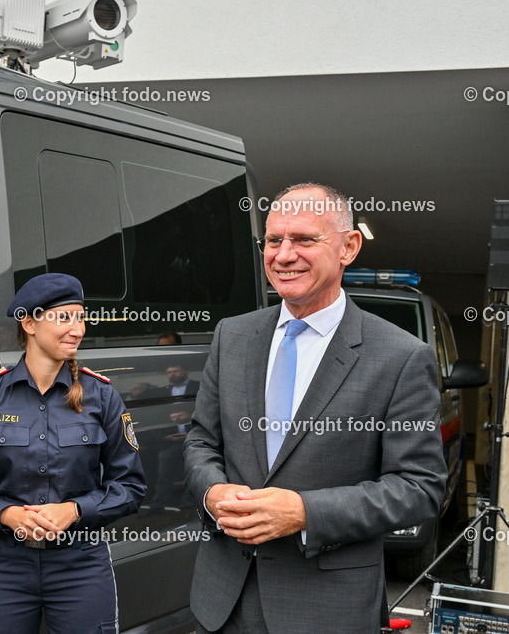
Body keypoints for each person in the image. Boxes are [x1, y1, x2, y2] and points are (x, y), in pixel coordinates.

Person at [183, 183, 446, 633]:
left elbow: (419, 488)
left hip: (327, 611)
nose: (284, 255)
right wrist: (213, 493)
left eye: (305, 239)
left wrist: (304, 512)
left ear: (349, 247)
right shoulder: (233, 336)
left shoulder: (401, 356)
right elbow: (201, 441)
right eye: (273, 240)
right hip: (222, 601)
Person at [0, 273, 146, 634]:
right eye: (64, 317)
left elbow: (130, 486)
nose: (77, 329)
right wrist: (7, 515)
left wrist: (74, 510)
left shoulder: (101, 397)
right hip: (4, 565)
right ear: (29, 321)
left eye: (80, 318)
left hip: (81, 564)